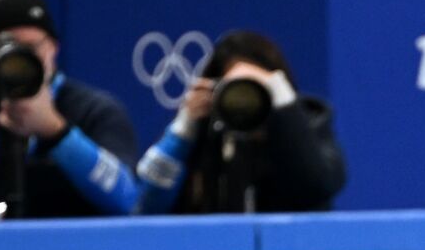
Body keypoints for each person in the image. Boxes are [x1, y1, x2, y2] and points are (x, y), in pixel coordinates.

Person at [0, 0, 137, 219]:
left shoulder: (96, 111)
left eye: (28, 49)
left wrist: (56, 130)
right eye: (3, 50)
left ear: (53, 47)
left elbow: (129, 200)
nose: (16, 62)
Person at [136, 30, 345, 214]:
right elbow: (145, 204)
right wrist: (183, 129)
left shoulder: (306, 121)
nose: (245, 102)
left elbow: (319, 185)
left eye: (255, 88)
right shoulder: (205, 129)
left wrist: (282, 101)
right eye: (236, 90)